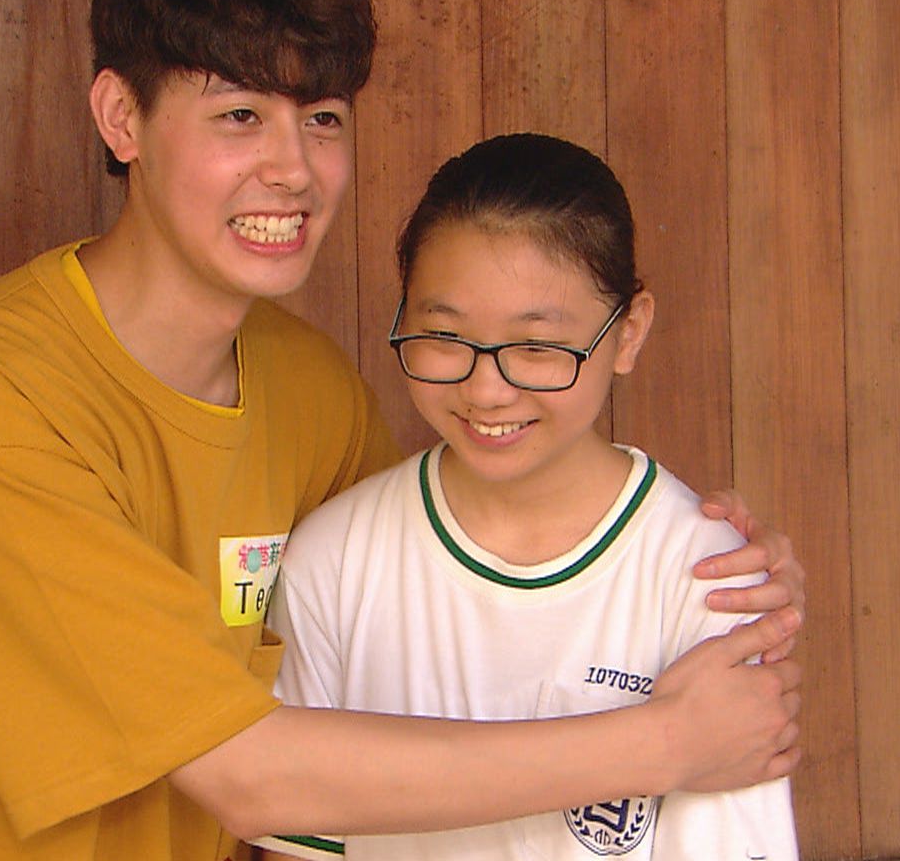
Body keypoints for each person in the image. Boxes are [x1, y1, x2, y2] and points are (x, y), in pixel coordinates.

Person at [0, 0, 803, 861]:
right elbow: (249, 778)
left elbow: (435, 576)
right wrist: (668, 743)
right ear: (121, 118)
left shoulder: (307, 386)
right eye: (241, 115)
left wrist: (702, 567)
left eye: (323, 118)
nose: (294, 168)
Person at [255, 132, 799, 860]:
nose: (486, 390)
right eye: (444, 337)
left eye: (538, 348)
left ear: (629, 332)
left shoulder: (711, 578)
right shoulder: (333, 560)